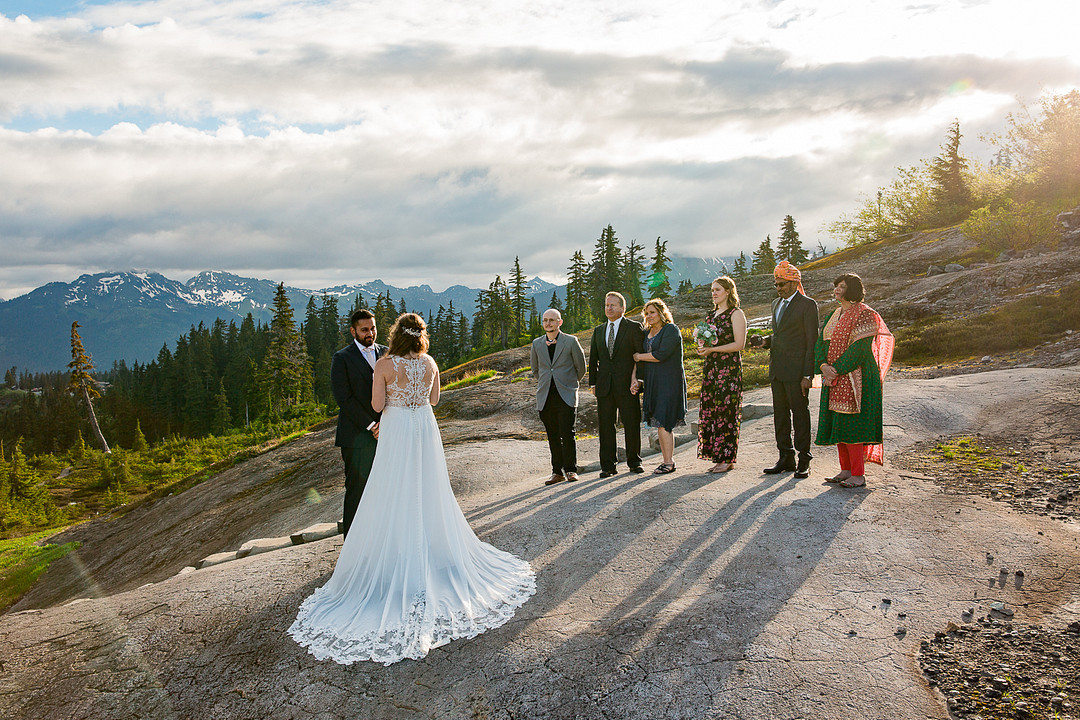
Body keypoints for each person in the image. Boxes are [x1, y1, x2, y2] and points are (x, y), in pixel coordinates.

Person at [289, 313, 536, 665]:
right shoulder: (431, 362)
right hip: (424, 428)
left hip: (398, 430)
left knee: (393, 489)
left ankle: (391, 553)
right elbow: (434, 400)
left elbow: (377, 406)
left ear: (393, 334)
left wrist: (390, 394)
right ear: (421, 336)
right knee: (429, 488)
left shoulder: (386, 364)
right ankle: (433, 551)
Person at [815, 273, 894, 488]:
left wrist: (836, 369)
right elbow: (820, 343)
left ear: (852, 289)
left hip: (856, 377)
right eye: (836, 285)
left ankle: (859, 474)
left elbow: (859, 350)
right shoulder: (834, 314)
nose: (837, 289)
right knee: (839, 424)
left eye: (841, 286)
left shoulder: (866, 314)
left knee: (853, 425)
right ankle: (845, 470)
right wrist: (823, 366)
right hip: (835, 378)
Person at [749, 261, 819, 479]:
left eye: (782, 284)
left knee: (800, 414)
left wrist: (808, 374)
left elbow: (811, 341)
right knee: (780, 415)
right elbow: (781, 336)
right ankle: (785, 457)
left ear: (794, 282)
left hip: (797, 371)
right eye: (776, 284)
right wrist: (765, 341)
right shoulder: (775, 304)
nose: (778, 288)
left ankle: (804, 459)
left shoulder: (807, 305)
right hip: (777, 370)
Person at [331, 308, 388, 537]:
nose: (370, 333)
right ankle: (352, 547)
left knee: (385, 488)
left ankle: (380, 541)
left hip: (387, 433)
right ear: (353, 331)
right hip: (356, 438)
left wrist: (385, 424)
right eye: (364, 330)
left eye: (373, 328)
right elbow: (344, 398)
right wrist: (371, 425)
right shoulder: (342, 358)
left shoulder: (387, 353)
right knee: (357, 491)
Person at [589, 291, 645, 478]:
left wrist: (638, 380)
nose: (609, 308)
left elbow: (640, 357)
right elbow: (594, 360)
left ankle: (634, 462)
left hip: (628, 385)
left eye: (613, 305)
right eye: (606, 305)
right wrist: (593, 383)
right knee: (605, 426)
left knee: (631, 423)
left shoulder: (634, 327)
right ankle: (608, 466)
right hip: (604, 386)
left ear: (622, 308)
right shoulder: (598, 331)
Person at [696, 276, 747, 473]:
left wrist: (713, 351)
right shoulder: (711, 316)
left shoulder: (736, 314)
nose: (714, 293)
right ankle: (718, 457)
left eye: (717, 290)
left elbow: (739, 344)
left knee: (727, 412)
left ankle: (727, 458)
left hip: (728, 369)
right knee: (713, 410)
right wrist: (703, 348)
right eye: (712, 290)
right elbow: (709, 342)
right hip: (712, 369)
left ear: (728, 291)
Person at [530, 309, 587, 486]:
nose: (548, 323)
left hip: (566, 394)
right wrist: (547, 382)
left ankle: (571, 470)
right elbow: (535, 370)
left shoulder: (571, 341)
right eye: (545, 320)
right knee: (552, 435)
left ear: (559, 322)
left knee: (567, 433)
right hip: (546, 396)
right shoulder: (537, 344)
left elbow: (581, 368)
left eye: (552, 320)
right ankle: (556, 472)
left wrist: (569, 384)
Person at [633, 298, 687, 474]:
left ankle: (669, 462)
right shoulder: (647, 332)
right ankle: (666, 460)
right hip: (653, 381)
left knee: (664, 421)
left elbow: (661, 355)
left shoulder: (671, 330)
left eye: (653, 312)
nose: (649, 316)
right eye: (646, 313)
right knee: (659, 422)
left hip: (668, 381)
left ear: (662, 313)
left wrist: (640, 356)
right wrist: (637, 378)